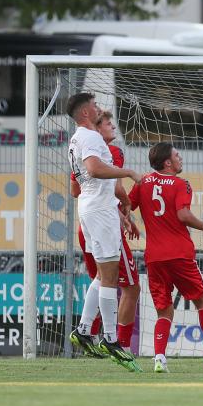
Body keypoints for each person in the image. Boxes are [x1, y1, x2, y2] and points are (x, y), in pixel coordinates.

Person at [128, 142, 203, 374]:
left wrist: (129, 221)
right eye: (177, 155)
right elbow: (183, 214)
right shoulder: (180, 183)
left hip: (154, 258)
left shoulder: (143, 182)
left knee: (164, 311)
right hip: (179, 255)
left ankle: (159, 359)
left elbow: (124, 205)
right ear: (168, 163)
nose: (180, 158)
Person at [65, 92, 141, 371]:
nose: (99, 110)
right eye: (95, 106)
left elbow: (83, 180)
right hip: (99, 210)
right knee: (111, 277)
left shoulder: (76, 138)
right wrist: (128, 172)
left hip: (91, 208)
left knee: (101, 274)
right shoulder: (90, 137)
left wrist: (122, 202)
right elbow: (94, 169)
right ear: (86, 112)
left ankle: (84, 329)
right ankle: (111, 339)